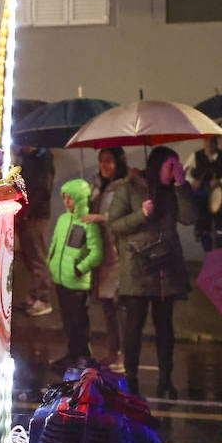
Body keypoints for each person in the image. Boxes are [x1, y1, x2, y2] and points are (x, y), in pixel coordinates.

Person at [108, 146, 195, 399]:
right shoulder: (129, 188)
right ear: (157, 165)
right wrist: (140, 214)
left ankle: (165, 380)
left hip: (165, 270)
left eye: (176, 165)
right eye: (171, 166)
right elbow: (114, 224)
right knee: (134, 326)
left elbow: (189, 218)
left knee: (165, 328)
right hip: (138, 268)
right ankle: (131, 379)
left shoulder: (174, 191)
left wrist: (181, 185)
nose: (174, 170)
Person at [46, 178, 103, 370]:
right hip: (61, 278)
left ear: (80, 199)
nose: (67, 202)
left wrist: (80, 268)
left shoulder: (89, 223)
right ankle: (72, 354)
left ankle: (82, 356)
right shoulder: (63, 219)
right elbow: (55, 244)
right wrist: (51, 262)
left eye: (71, 199)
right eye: (65, 198)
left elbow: (97, 253)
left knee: (79, 321)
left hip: (77, 282)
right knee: (69, 321)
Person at [83, 147, 129, 366]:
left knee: (118, 306)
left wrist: (99, 217)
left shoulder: (124, 186)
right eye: (101, 160)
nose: (104, 165)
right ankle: (113, 350)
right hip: (103, 254)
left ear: (118, 162)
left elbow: (122, 215)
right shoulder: (99, 187)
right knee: (107, 307)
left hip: (118, 253)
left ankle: (122, 353)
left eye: (109, 160)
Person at [15, 146, 55, 316]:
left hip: (35, 215)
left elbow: (41, 189)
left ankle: (43, 298)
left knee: (37, 255)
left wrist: (29, 212)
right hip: (26, 215)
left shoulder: (43, 160)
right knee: (29, 255)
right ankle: (34, 294)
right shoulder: (26, 159)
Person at [186, 136, 222, 251]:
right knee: (204, 227)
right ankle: (208, 252)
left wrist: (220, 181)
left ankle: (221, 252)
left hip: (219, 196)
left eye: (211, 142)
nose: (209, 144)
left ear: (215, 143)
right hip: (201, 196)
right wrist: (193, 181)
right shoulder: (196, 156)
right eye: (207, 141)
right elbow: (186, 173)